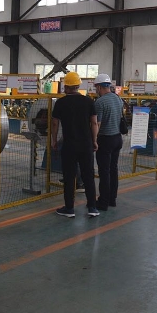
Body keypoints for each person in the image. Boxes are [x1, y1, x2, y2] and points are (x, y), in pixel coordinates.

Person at [51, 71, 100, 217]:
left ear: (66, 86)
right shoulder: (89, 101)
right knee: (88, 175)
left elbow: (55, 123)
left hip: (69, 145)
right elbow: (94, 123)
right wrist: (94, 140)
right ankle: (92, 207)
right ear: (78, 85)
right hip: (86, 145)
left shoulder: (60, 103)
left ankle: (69, 208)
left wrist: (54, 140)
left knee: (69, 177)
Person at [93, 74, 123, 211]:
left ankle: (103, 202)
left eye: (96, 87)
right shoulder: (118, 98)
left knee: (104, 172)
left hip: (105, 139)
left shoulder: (100, 102)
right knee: (113, 169)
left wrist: (94, 140)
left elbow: (97, 124)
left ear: (99, 87)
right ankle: (112, 199)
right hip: (117, 138)